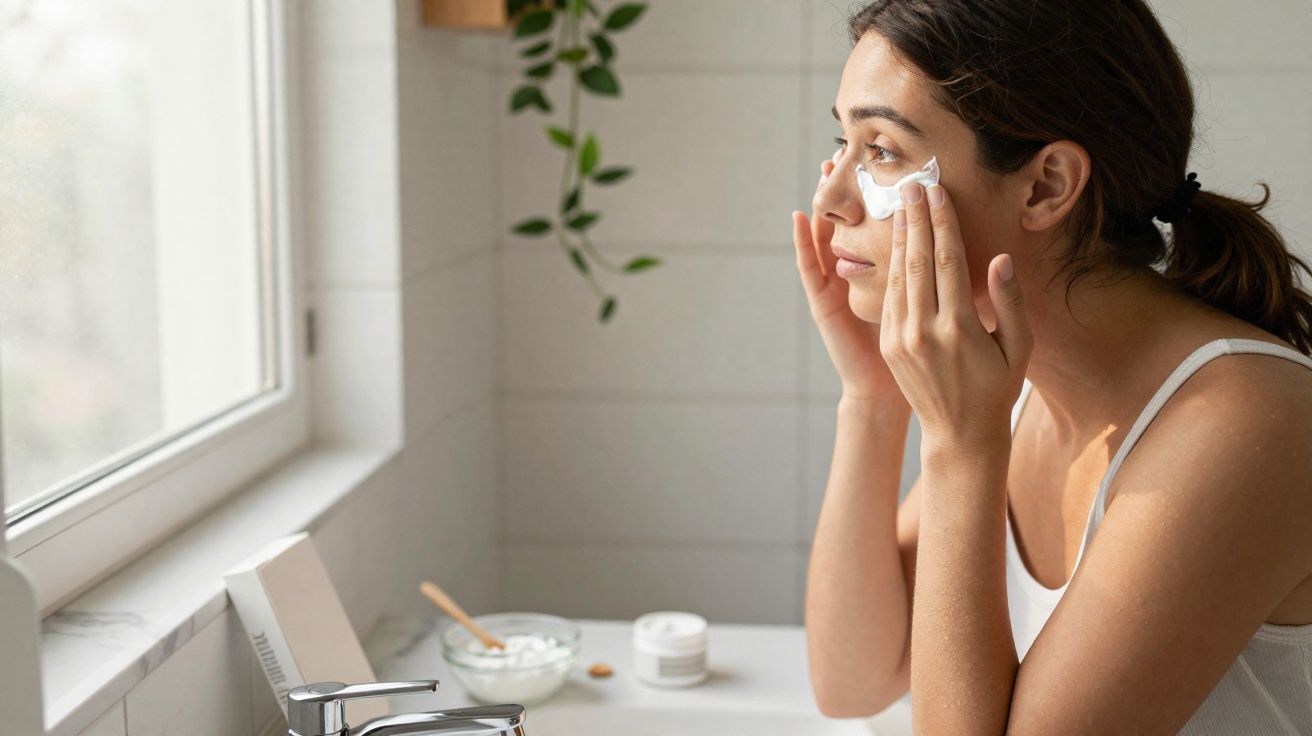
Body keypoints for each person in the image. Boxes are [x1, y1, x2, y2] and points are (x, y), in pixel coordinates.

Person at [794, 1, 1312, 733]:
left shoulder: (1244, 423)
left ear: (1046, 186)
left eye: (881, 150)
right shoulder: (1016, 385)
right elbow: (853, 683)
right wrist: (872, 398)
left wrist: (961, 452)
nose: (830, 199)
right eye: (842, 142)